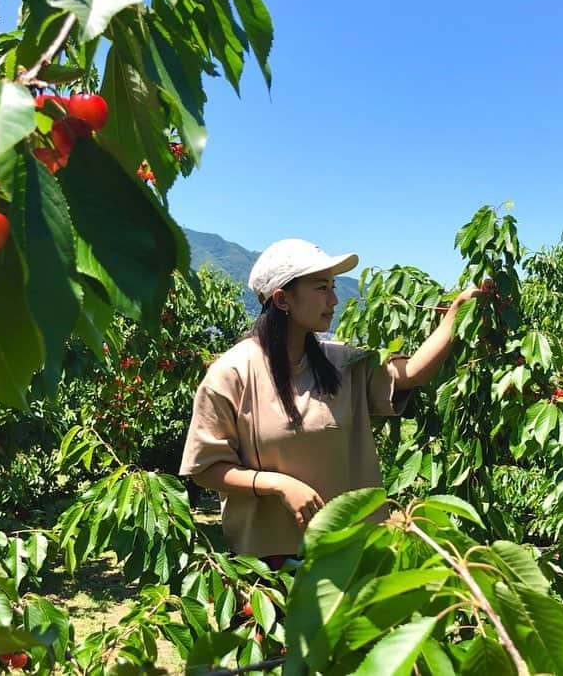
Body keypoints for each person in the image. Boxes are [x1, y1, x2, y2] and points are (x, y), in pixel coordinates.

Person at [179, 239, 488, 568]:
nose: (334, 299)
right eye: (321, 288)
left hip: (352, 554)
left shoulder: (341, 364)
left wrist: (457, 314)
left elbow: (410, 372)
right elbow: (205, 469)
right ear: (283, 299)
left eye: (333, 286)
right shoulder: (232, 374)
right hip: (270, 568)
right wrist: (277, 484)